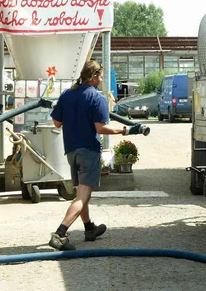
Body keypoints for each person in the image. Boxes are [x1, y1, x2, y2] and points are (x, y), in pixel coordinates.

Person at [48, 60, 143, 251]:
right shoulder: (96, 98)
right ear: (93, 77)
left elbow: (57, 123)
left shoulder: (67, 94)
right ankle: (60, 233)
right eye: (100, 76)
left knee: (80, 193)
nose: (101, 80)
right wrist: (125, 131)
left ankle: (89, 228)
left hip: (71, 151)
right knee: (83, 196)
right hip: (88, 151)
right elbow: (101, 128)